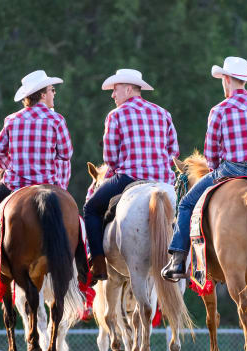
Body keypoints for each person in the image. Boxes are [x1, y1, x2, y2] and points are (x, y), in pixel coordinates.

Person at [162, 56, 247, 281]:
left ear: (226, 80)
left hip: (230, 170)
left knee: (186, 205)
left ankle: (177, 260)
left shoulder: (220, 109)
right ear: (244, 80)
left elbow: (211, 150)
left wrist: (215, 168)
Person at [84, 69, 179, 281]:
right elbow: (174, 151)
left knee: (90, 208)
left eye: (115, 89)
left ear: (128, 89)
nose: (112, 95)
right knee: (188, 214)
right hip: (162, 180)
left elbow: (110, 158)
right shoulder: (163, 113)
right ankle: (189, 262)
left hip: (129, 178)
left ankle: (98, 263)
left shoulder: (115, 115)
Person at [0, 70, 73, 203]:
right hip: (48, 185)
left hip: (15, 184)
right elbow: (66, 154)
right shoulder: (57, 119)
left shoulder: (11, 120)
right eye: (52, 90)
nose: (54, 93)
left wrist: (12, 166)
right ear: (43, 95)